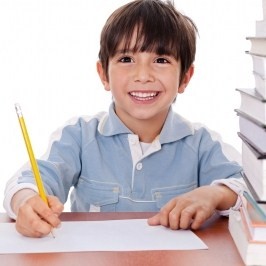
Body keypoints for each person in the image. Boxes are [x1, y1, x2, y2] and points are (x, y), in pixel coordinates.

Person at [4, 0, 246, 238]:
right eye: (126, 59)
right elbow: (26, 181)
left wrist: (214, 195)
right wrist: (26, 200)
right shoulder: (78, 136)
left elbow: (246, 187)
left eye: (161, 60)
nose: (143, 75)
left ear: (185, 78)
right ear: (103, 74)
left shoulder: (202, 144)